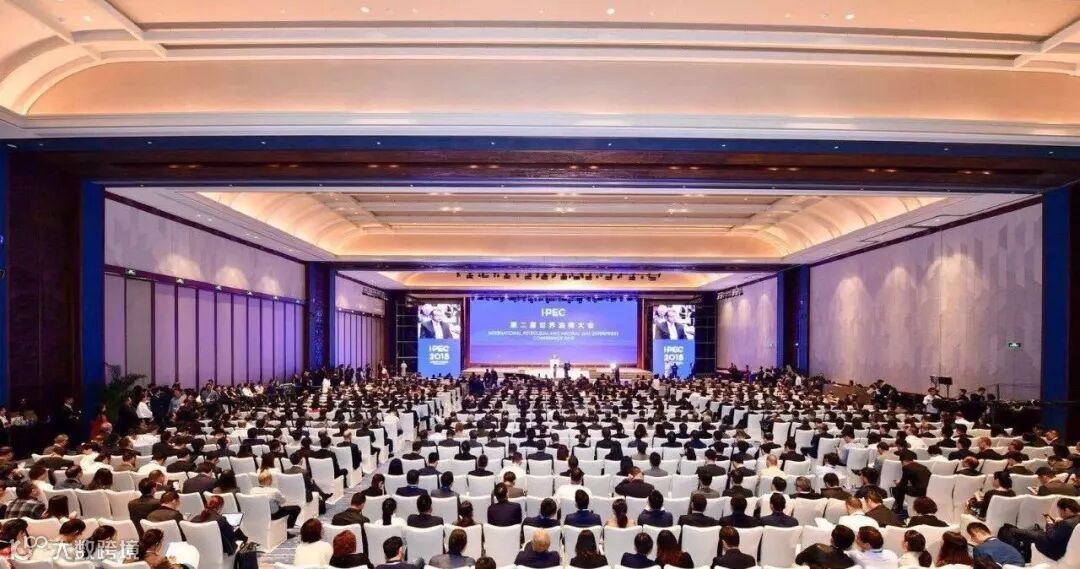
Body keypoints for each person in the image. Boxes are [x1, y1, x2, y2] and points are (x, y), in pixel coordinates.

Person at [999, 497, 1080, 562]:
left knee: (1010, 531)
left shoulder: (1067, 524)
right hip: (1060, 545)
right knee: (1028, 532)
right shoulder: (1075, 520)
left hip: (1051, 548)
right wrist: (1061, 521)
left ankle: (1016, 559)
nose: (1059, 514)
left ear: (1067, 510)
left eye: (1060, 511)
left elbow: (1052, 537)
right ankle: (1025, 557)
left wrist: (1049, 523)